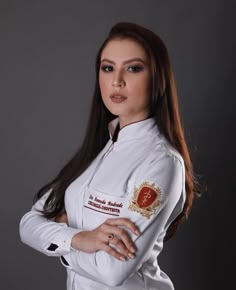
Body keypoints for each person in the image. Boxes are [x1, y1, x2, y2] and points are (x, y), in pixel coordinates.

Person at [19, 21, 201, 290]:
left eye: (133, 68)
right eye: (108, 68)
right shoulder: (97, 150)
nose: (117, 81)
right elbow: (28, 224)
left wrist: (61, 243)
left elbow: (112, 271)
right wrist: (80, 239)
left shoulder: (161, 161)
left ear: (157, 78)